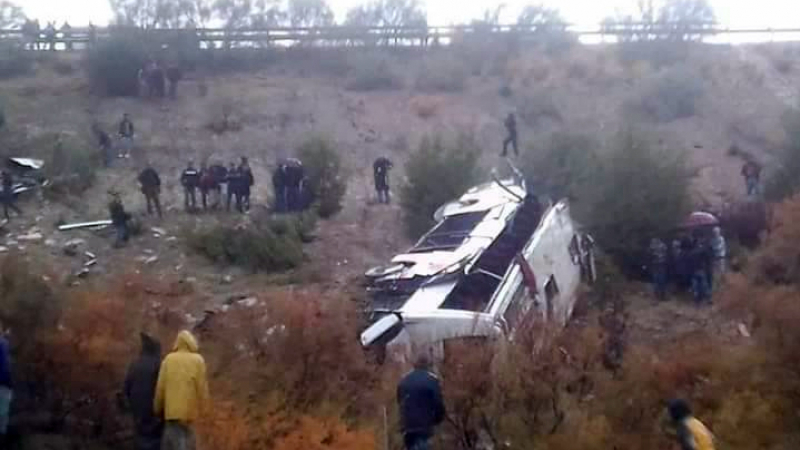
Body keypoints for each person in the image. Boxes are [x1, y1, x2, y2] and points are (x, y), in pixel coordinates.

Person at [154, 331, 209, 450]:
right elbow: (202, 388)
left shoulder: (168, 360)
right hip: (190, 415)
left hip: (171, 414)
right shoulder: (198, 361)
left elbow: (160, 388)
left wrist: (157, 408)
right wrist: (206, 412)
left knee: (172, 444)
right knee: (188, 444)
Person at [397, 353, 446, 450]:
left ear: (414, 365)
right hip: (424, 423)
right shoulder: (432, 380)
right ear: (427, 365)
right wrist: (437, 418)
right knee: (423, 443)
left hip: (408, 424)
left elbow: (399, 400)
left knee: (411, 444)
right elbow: (438, 403)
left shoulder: (404, 380)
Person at [124, 333, 163, 450]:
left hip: (137, 409)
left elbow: (126, 387)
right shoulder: (160, 365)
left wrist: (129, 404)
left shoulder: (135, 364)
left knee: (140, 438)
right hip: (154, 411)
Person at [0, 323, 13, 446]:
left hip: (4, 383)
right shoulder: (4, 343)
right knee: (3, 415)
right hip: (5, 384)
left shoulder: (3, 342)